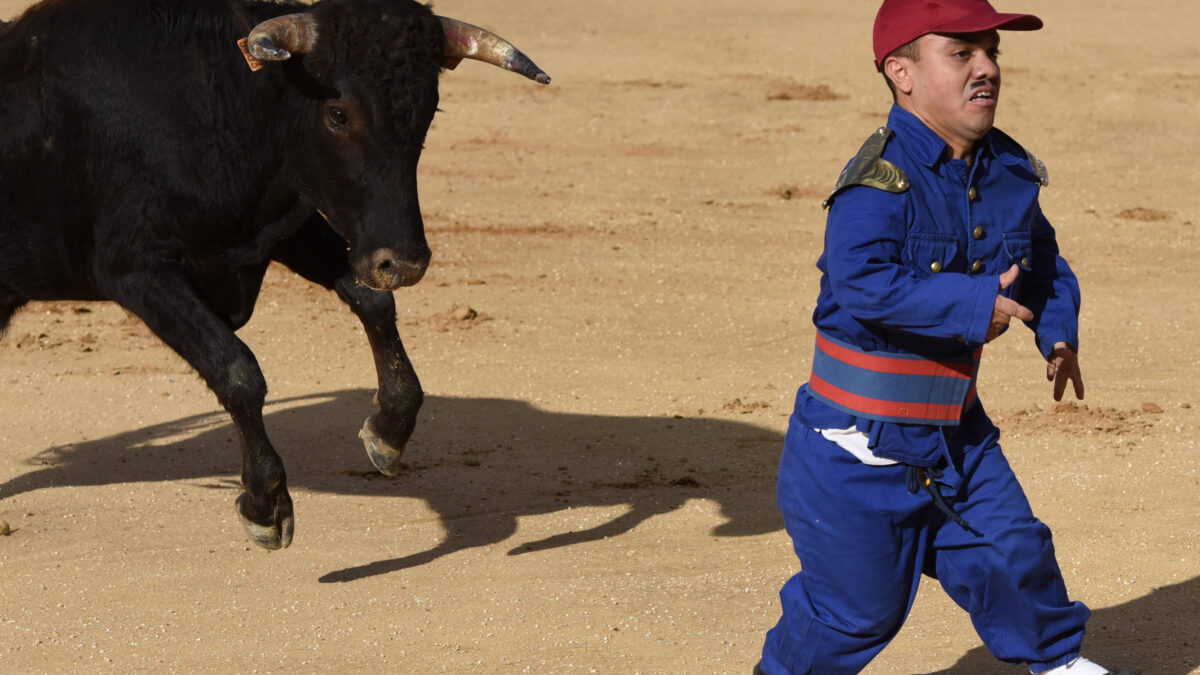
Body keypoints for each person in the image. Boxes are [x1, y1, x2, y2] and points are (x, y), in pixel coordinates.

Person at [756, 1, 1141, 674]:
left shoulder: (1008, 171)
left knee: (1014, 552)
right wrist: (973, 305)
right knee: (855, 612)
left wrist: (1056, 333)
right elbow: (860, 281)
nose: (986, 67)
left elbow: (1043, 263)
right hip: (856, 449)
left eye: (991, 51)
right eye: (961, 53)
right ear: (901, 72)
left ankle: (1059, 665)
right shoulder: (879, 183)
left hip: (954, 433)